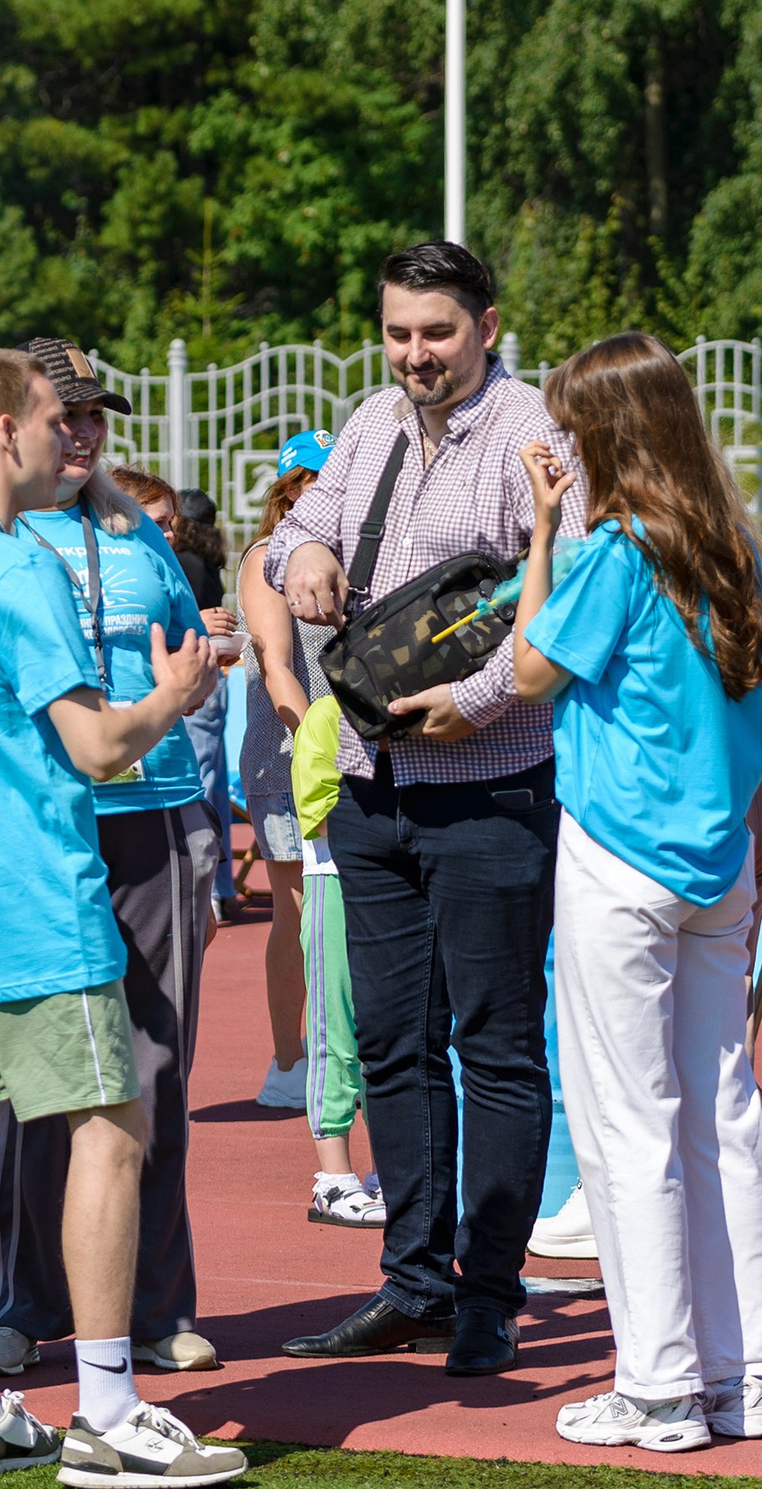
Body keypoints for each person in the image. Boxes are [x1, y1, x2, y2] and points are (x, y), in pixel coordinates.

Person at [0, 347, 243, 1489]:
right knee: (112, 1129)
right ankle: (109, 1408)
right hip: (36, 893)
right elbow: (97, 745)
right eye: (48, 418)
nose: (68, 440)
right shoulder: (9, 571)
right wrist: (172, 698)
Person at [268, 240, 583, 1377]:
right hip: (367, 782)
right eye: (399, 332)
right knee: (392, 1042)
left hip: (489, 784)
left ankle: (488, 1293)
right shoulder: (367, 422)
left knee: (493, 1046)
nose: (415, 355)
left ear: (485, 326)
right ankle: (412, 1282)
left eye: (436, 333)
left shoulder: (534, 434)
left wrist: (473, 698)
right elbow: (291, 529)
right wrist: (299, 557)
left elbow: (569, 601)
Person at [506, 332, 762, 1453]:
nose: (563, 444)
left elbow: (532, 671)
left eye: (575, 426)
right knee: (722, 1115)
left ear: (611, 431)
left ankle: (661, 1384)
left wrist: (540, 529)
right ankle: (743, 1376)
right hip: (716, 860)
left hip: (621, 854)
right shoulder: (735, 549)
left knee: (629, 1121)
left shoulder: (615, 550)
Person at [0, 340, 227, 1382]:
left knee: (154, 1070)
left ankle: (153, 1305)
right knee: (38, 1073)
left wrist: (200, 670)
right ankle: (21, 1302)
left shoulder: (138, 534)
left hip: (154, 815)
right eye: (63, 414)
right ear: (19, 419)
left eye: (97, 416)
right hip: (43, 823)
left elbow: (191, 655)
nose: (81, 433)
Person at [237, 432, 331, 1106]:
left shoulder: (348, 556)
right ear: (288, 488)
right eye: (315, 481)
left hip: (349, 751)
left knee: (346, 915)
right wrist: (317, 743)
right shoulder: (268, 559)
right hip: (290, 755)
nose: (326, 493)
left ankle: (341, 1050)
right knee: (297, 912)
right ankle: (288, 1060)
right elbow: (277, 668)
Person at [290, 690, 383, 1226]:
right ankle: (334, 1178)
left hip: (393, 893)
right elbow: (320, 813)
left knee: (388, 1033)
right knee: (335, 1031)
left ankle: (387, 1172)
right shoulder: (325, 717)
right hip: (335, 886)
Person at [169, 485, 241, 918]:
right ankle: (221, 884)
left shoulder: (185, 564)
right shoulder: (209, 563)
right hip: (214, 677)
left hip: (195, 674)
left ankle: (208, 886)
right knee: (211, 778)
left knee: (199, 778)